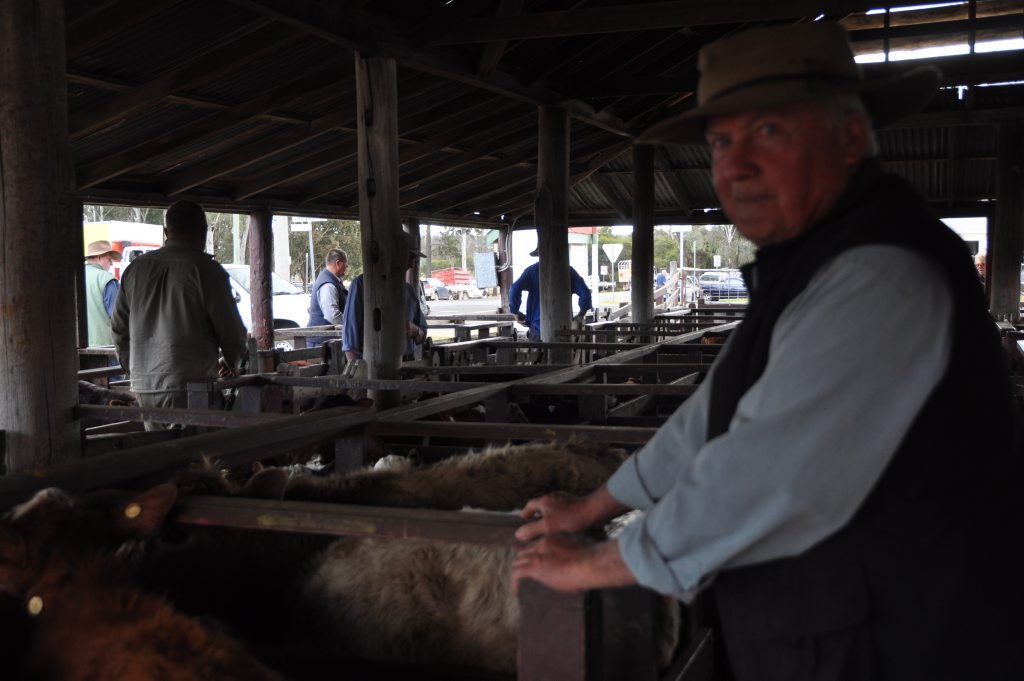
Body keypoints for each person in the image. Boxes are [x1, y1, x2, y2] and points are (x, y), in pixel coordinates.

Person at [511, 22, 1020, 681]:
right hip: (827, 634)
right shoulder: (810, 267)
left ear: (850, 137)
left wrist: (593, 563)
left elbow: (768, 472)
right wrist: (590, 507)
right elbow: (709, 417)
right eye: (721, 140)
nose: (733, 165)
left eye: (769, 132)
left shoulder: (879, 277)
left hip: (898, 642)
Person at [111, 200, 247, 430]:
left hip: (145, 386)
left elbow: (118, 331)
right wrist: (231, 359)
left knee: (161, 456)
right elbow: (232, 332)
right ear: (203, 232)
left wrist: (136, 369)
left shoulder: (135, 269)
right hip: (192, 387)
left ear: (166, 232)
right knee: (198, 460)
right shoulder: (206, 270)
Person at [342, 236, 428, 363]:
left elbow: (423, 334)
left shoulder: (409, 291)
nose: (411, 263)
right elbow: (350, 342)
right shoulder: (361, 285)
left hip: (407, 364)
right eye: (410, 257)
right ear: (395, 254)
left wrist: (416, 331)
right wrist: (359, 374)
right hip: (374, 365)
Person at [509, 246, 592, 340]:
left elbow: (514, 289)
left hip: (538, 327)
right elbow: (585, 293)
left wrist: (515, 312)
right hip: (564, 327)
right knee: (562, 353)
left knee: (537, 354)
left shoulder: (531, 271)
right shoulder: (569, 271)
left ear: (539, 255)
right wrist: (580, 316)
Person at [83, 240, 122, 346]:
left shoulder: (75, 276)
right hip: (104, 347)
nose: (111, 263)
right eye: (109, 259)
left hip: (79, 346)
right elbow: (117, 317)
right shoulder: (107, 279)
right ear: (99, 257)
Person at [307, 248, 348, 347]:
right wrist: (351, 324)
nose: (347, 267)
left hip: (324, 341)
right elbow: (332, 315)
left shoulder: (330, 280)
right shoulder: (328, 284)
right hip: (321, 343)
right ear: (338, 263)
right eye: (345, 264)